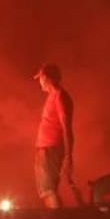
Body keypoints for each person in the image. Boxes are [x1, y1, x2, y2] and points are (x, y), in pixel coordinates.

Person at [33, 63, 77, 208]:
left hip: (50, 149)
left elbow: (66, 127)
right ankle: (56, 218)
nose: (39, 82)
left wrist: (68, 156)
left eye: (40, 78)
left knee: (48, 190)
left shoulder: (60, 97)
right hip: (47, 149)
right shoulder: (53, 96)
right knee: (48, 190)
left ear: (45, 78)